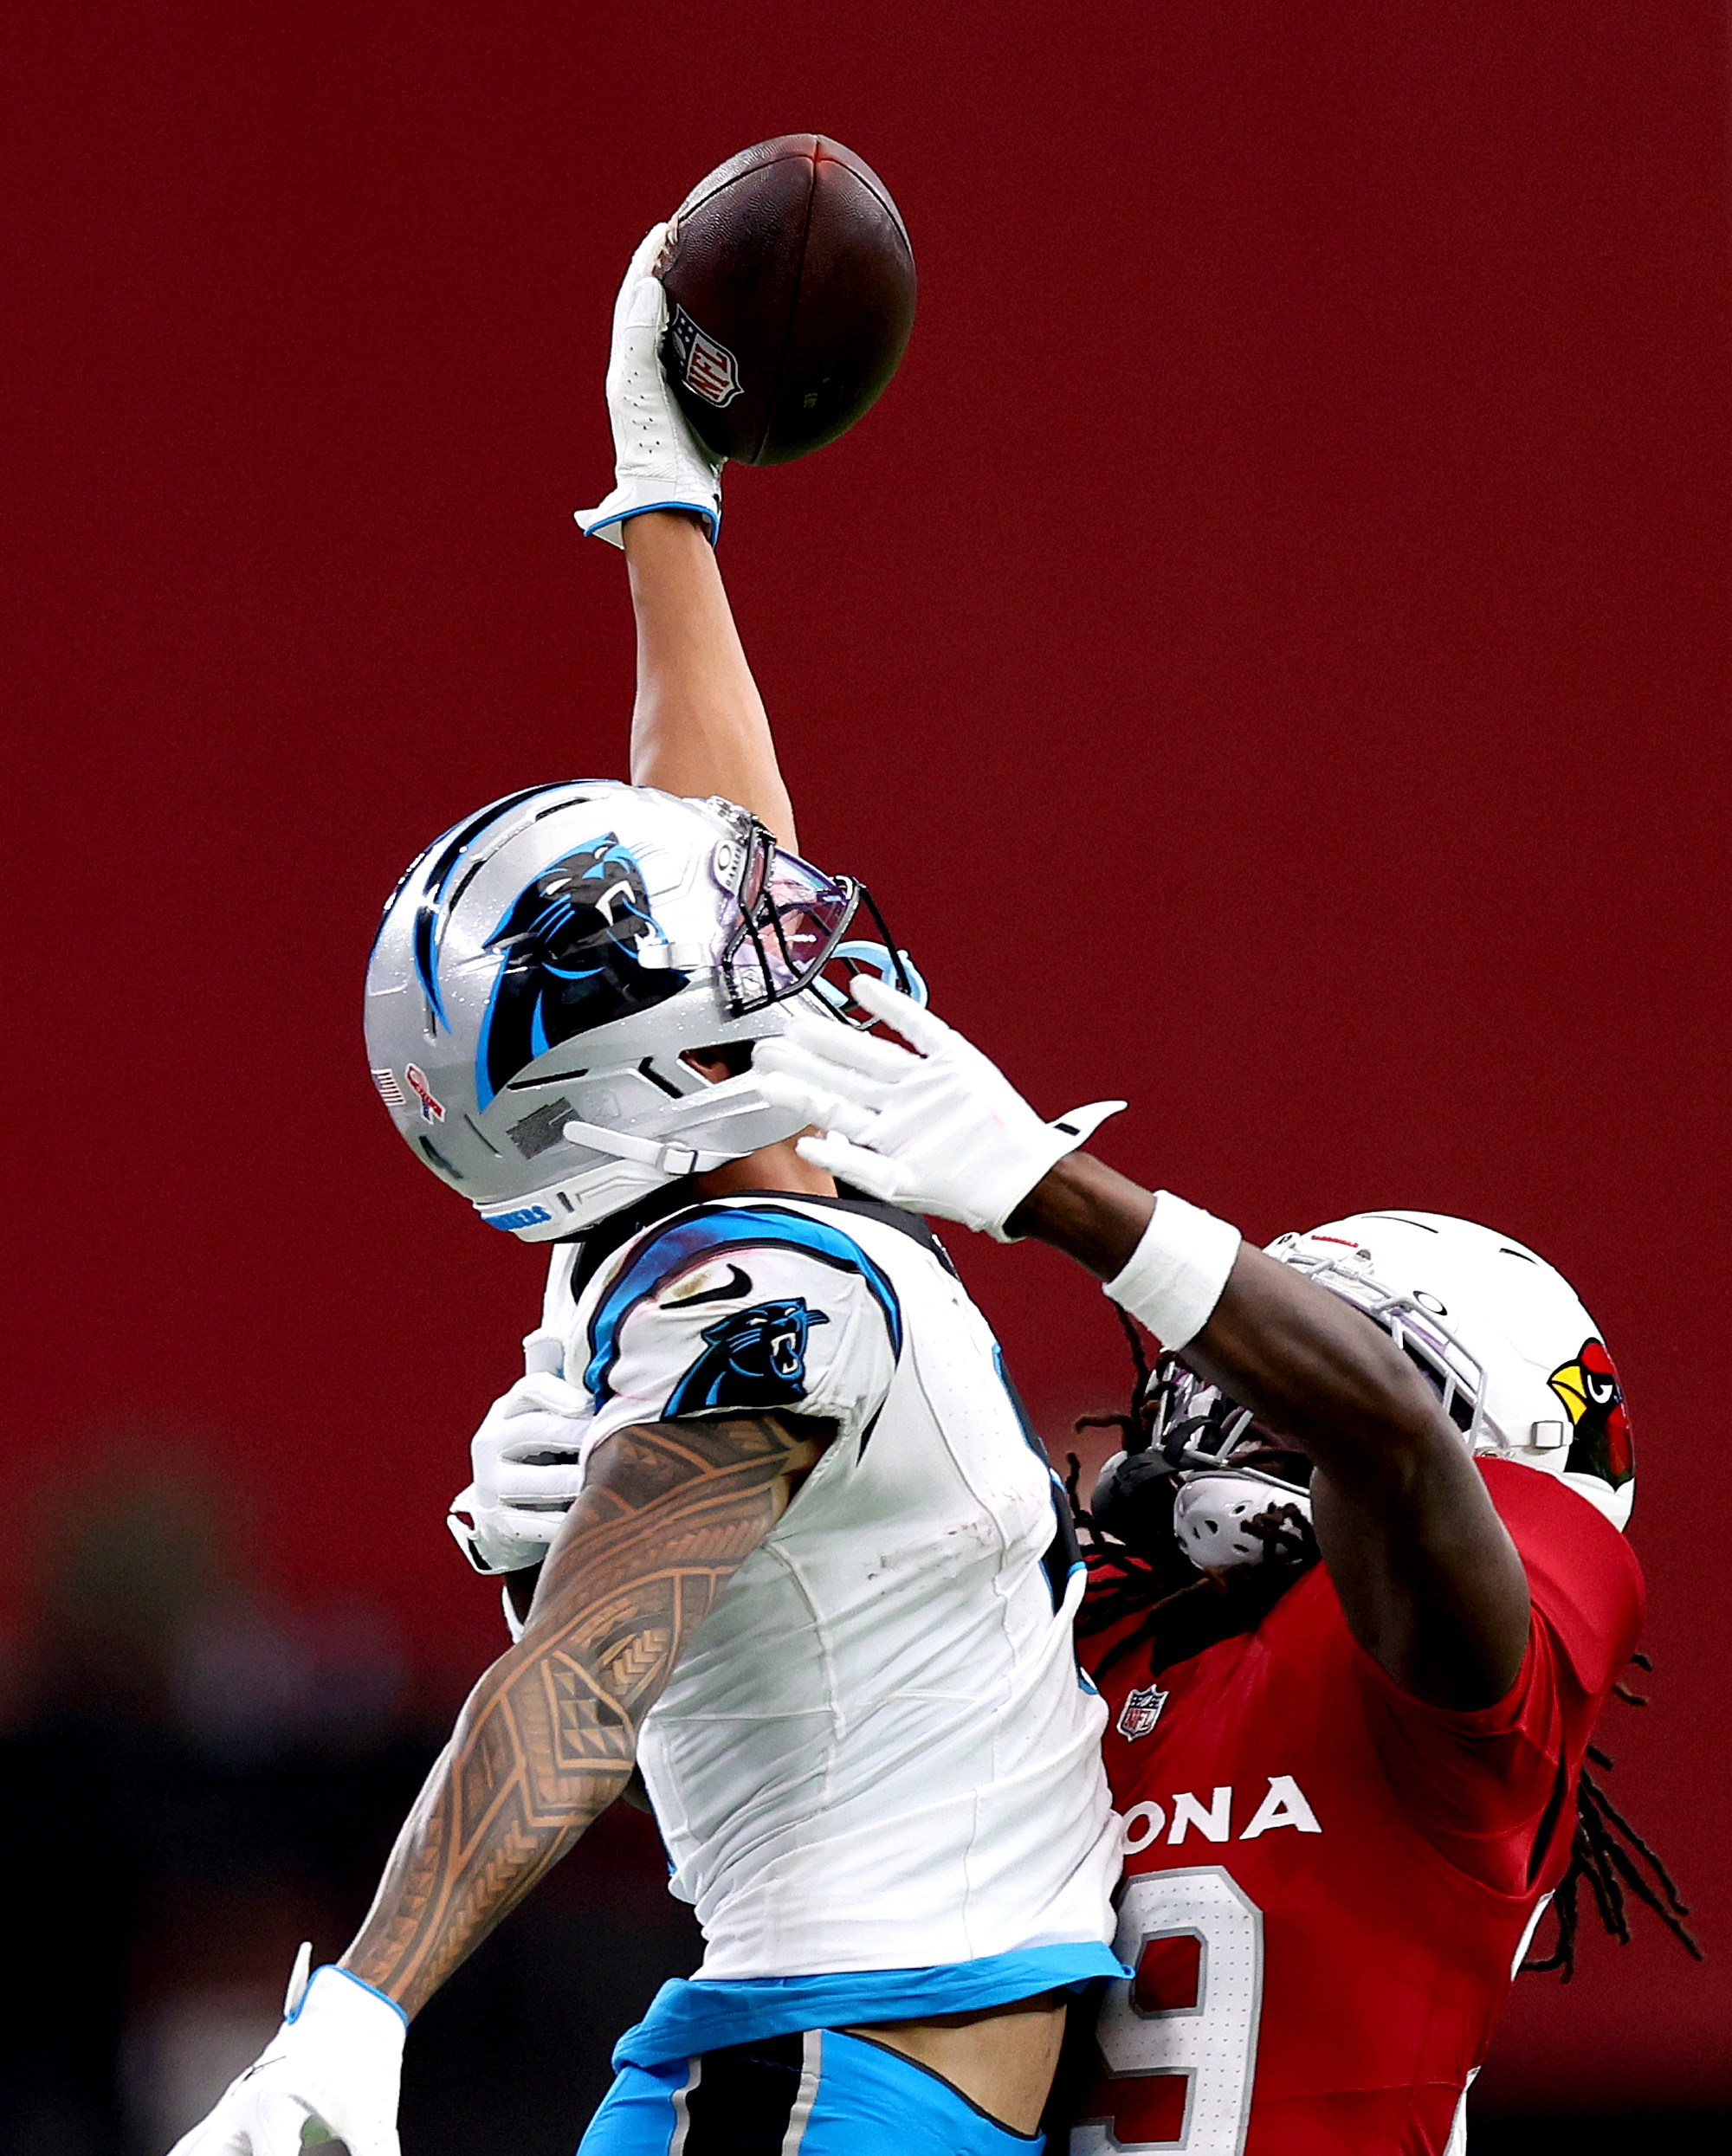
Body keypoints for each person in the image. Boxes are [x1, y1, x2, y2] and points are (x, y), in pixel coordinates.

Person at [169, 227, 1125, 2156]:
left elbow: (712, 809)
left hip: (823, 2063)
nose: (783, 914)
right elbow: (578, 1688)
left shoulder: (701, 1199)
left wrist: (661, 499)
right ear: (672, 1062)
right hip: (838, 2091)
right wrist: (362, 2015)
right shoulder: (777, 1298)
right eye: (735, 944)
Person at [751, 988, 1698, 2153]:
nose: (1241, 1398)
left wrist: (1058, 1190)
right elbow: (756, 1780)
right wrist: (596, 1527)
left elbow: (1389, 1442)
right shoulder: (1074, 1637)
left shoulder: (1457, 1708)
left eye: (1304, 1369)